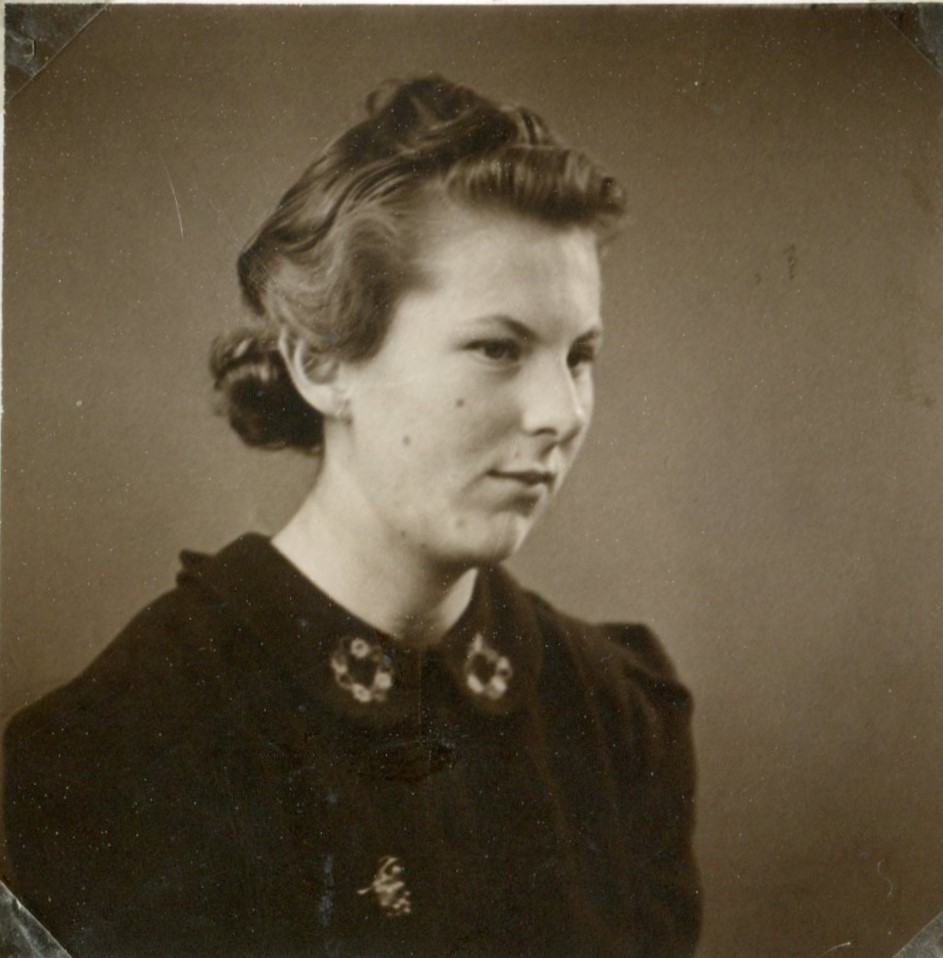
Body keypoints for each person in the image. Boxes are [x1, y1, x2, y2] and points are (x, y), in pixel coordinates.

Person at [3, 76, 700, 958]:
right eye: (497, 348)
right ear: (322, 364)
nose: (560, 413)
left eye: (580, 356)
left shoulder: (610, 712)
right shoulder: (131, 741)